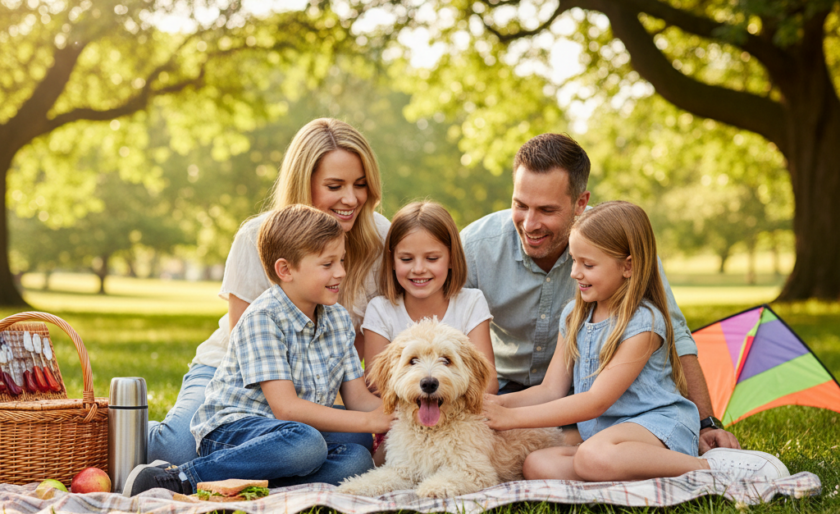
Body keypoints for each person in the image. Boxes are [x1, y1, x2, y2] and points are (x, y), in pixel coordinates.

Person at [461, 133, 740, 454]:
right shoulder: (475, 247)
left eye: (547, 210)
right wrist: (476, 404)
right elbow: (440, 324)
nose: (530, 224)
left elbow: (677, 336)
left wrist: (706, 422)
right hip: (519, 392)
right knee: (525, 458)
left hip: (589, 400)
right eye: (520, 205)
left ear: (580, 203)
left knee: (553, 452)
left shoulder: (617, 244)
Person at [482, 201, 789, 481]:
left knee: (591, 456)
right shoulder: (573, 315)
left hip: (659, 427)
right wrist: (494, 403)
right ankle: (635, 472)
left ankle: (711, 468)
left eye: (588, 265)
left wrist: (510, 418)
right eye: (574, 260)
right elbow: (550, 390)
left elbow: (596, 400)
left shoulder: (644, 322)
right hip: (608, 434)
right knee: (538, 464)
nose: (575, 273)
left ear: (627, 266)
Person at [148, 119, 390, 465]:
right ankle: (131, 432)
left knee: (352, 452)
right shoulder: (256, 236)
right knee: (176, 450)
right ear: (304, 182)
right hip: (237, 384)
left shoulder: (379, 237)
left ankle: (265, 467)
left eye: (361, 184)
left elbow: (361, 346)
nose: (351, 199)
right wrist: (349, 419)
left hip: (314, 387)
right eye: (334, 186)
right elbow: (246, 349)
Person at [124, 205, 393, 496]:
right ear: (285, 270)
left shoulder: (338, 318)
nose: (341, 272)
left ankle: (242, 482)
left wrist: (400, 413)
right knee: (308, 444)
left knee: (358, 454)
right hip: (234, 431)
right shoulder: (264, 317)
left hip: (291, 433)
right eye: (327, 264)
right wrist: (369, 420)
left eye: (342, 260)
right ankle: (183, 478)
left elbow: (358, 399)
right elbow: (287, 408)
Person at [363, 201, 497, 394]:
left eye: (432, 258)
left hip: (457, 407)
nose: (418, 269)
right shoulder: (380, 309)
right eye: (406, 259)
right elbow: (376, 385)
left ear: (452, 258)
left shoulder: (470, 303)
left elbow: (488, 382)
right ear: (392, 260)